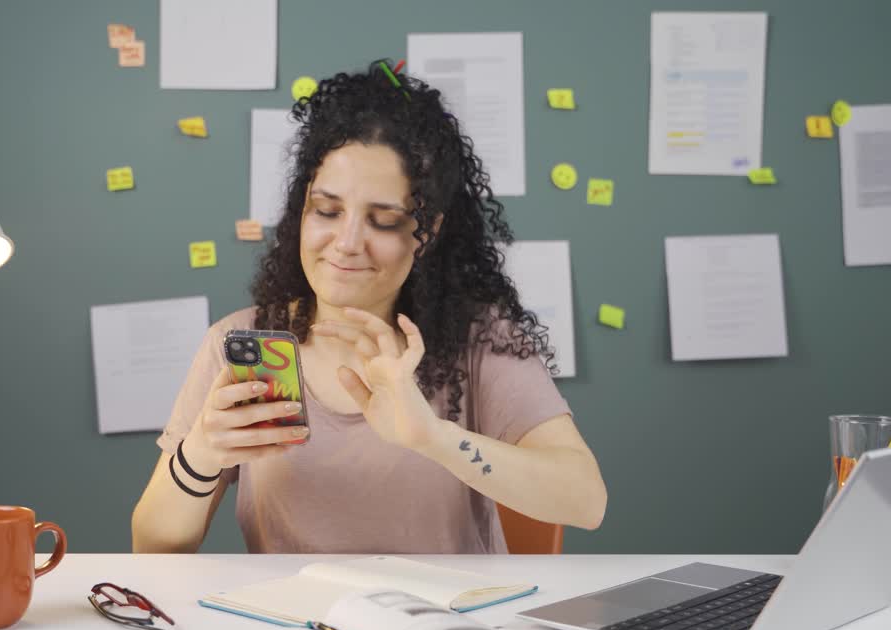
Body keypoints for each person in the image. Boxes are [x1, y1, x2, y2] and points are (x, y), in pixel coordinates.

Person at [132, 61, 607, 554]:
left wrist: (434, 438)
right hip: (291, 628)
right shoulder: (238, 342)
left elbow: (586, 501)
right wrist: (202, 454)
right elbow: (152, 548)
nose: (347, 242)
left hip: (443, 625)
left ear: (428, 233)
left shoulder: (481, 338)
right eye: (328, 211)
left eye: (383, 220)